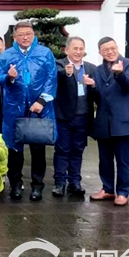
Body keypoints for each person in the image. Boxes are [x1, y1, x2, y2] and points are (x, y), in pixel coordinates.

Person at [0, 21, 57, 202]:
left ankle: (37, 186)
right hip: (14, 107)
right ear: (14, 37)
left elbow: (51, 78)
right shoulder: (7, 55)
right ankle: (16, 184)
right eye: (21, 34)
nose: (25, 37)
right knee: (15, 148)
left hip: (38, 108)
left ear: (33, 34)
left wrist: (42, 101)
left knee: (38, 147)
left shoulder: (45, 53)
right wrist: (9, 77)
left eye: (28, 34)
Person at [88, 37, 129, 207]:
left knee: (123, 160)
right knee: (104, 159)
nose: (110, 52)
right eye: (105, 50)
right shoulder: (98, 70)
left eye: (112, 48)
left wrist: (119, 74)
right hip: (104, 121)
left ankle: (123, 192)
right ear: (100, 52)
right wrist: (92, 87)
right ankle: (107, 188)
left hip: (123, 121)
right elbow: (98, 98)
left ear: (117, 48)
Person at [52, 37, 97, 197]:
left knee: (78, 150)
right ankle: (59, 182)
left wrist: (93, 85)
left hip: (83, 116)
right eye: (75, 48)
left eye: (81, 49)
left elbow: (97, 93)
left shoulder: (91, 68)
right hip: (64, 117)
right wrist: (66, 73)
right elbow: (55, 77)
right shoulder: (59, 64)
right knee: (62, 150)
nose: (78, 52)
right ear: (67, 50)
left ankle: (75, 182)